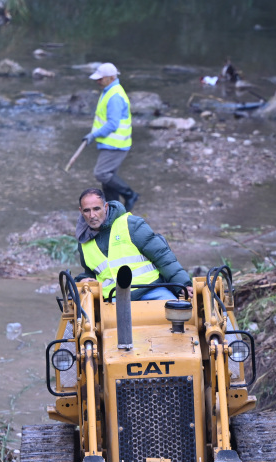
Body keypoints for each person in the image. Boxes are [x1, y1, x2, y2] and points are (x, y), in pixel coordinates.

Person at [74, 188, 190, 301]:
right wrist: (82, 281)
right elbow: (93, 273)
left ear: (106, 207)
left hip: (151, 290)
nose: (92, 215)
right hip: (114, 298)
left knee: (175, 309)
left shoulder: (131, 224)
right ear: (81, 211)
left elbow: (162, 256)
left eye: (96, 209)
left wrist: (184, 285)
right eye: (87, 210)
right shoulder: (84, 242)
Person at [84, 62, 140, 211]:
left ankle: (130, 194)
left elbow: (113, 124)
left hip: (116, 143)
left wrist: (93, 135)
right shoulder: (109, 91)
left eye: (100, 78)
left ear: (111, 77)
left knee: (101, 173)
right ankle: (113, 210)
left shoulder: (114, 96)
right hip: (111, 142)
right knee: (108, 180)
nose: (97, 81)